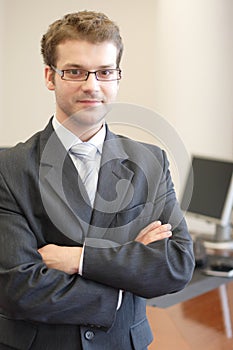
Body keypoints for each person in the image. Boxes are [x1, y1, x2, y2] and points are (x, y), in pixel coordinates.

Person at [0, 10, 195, 350]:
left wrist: (78, 259)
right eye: (75, 71)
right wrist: (123, 285)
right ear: (50, 76)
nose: (92, 85)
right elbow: (19, 288)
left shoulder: (151, 162)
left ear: (117, 77)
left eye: (105, 72)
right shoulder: (9, 167)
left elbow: (176, 265)